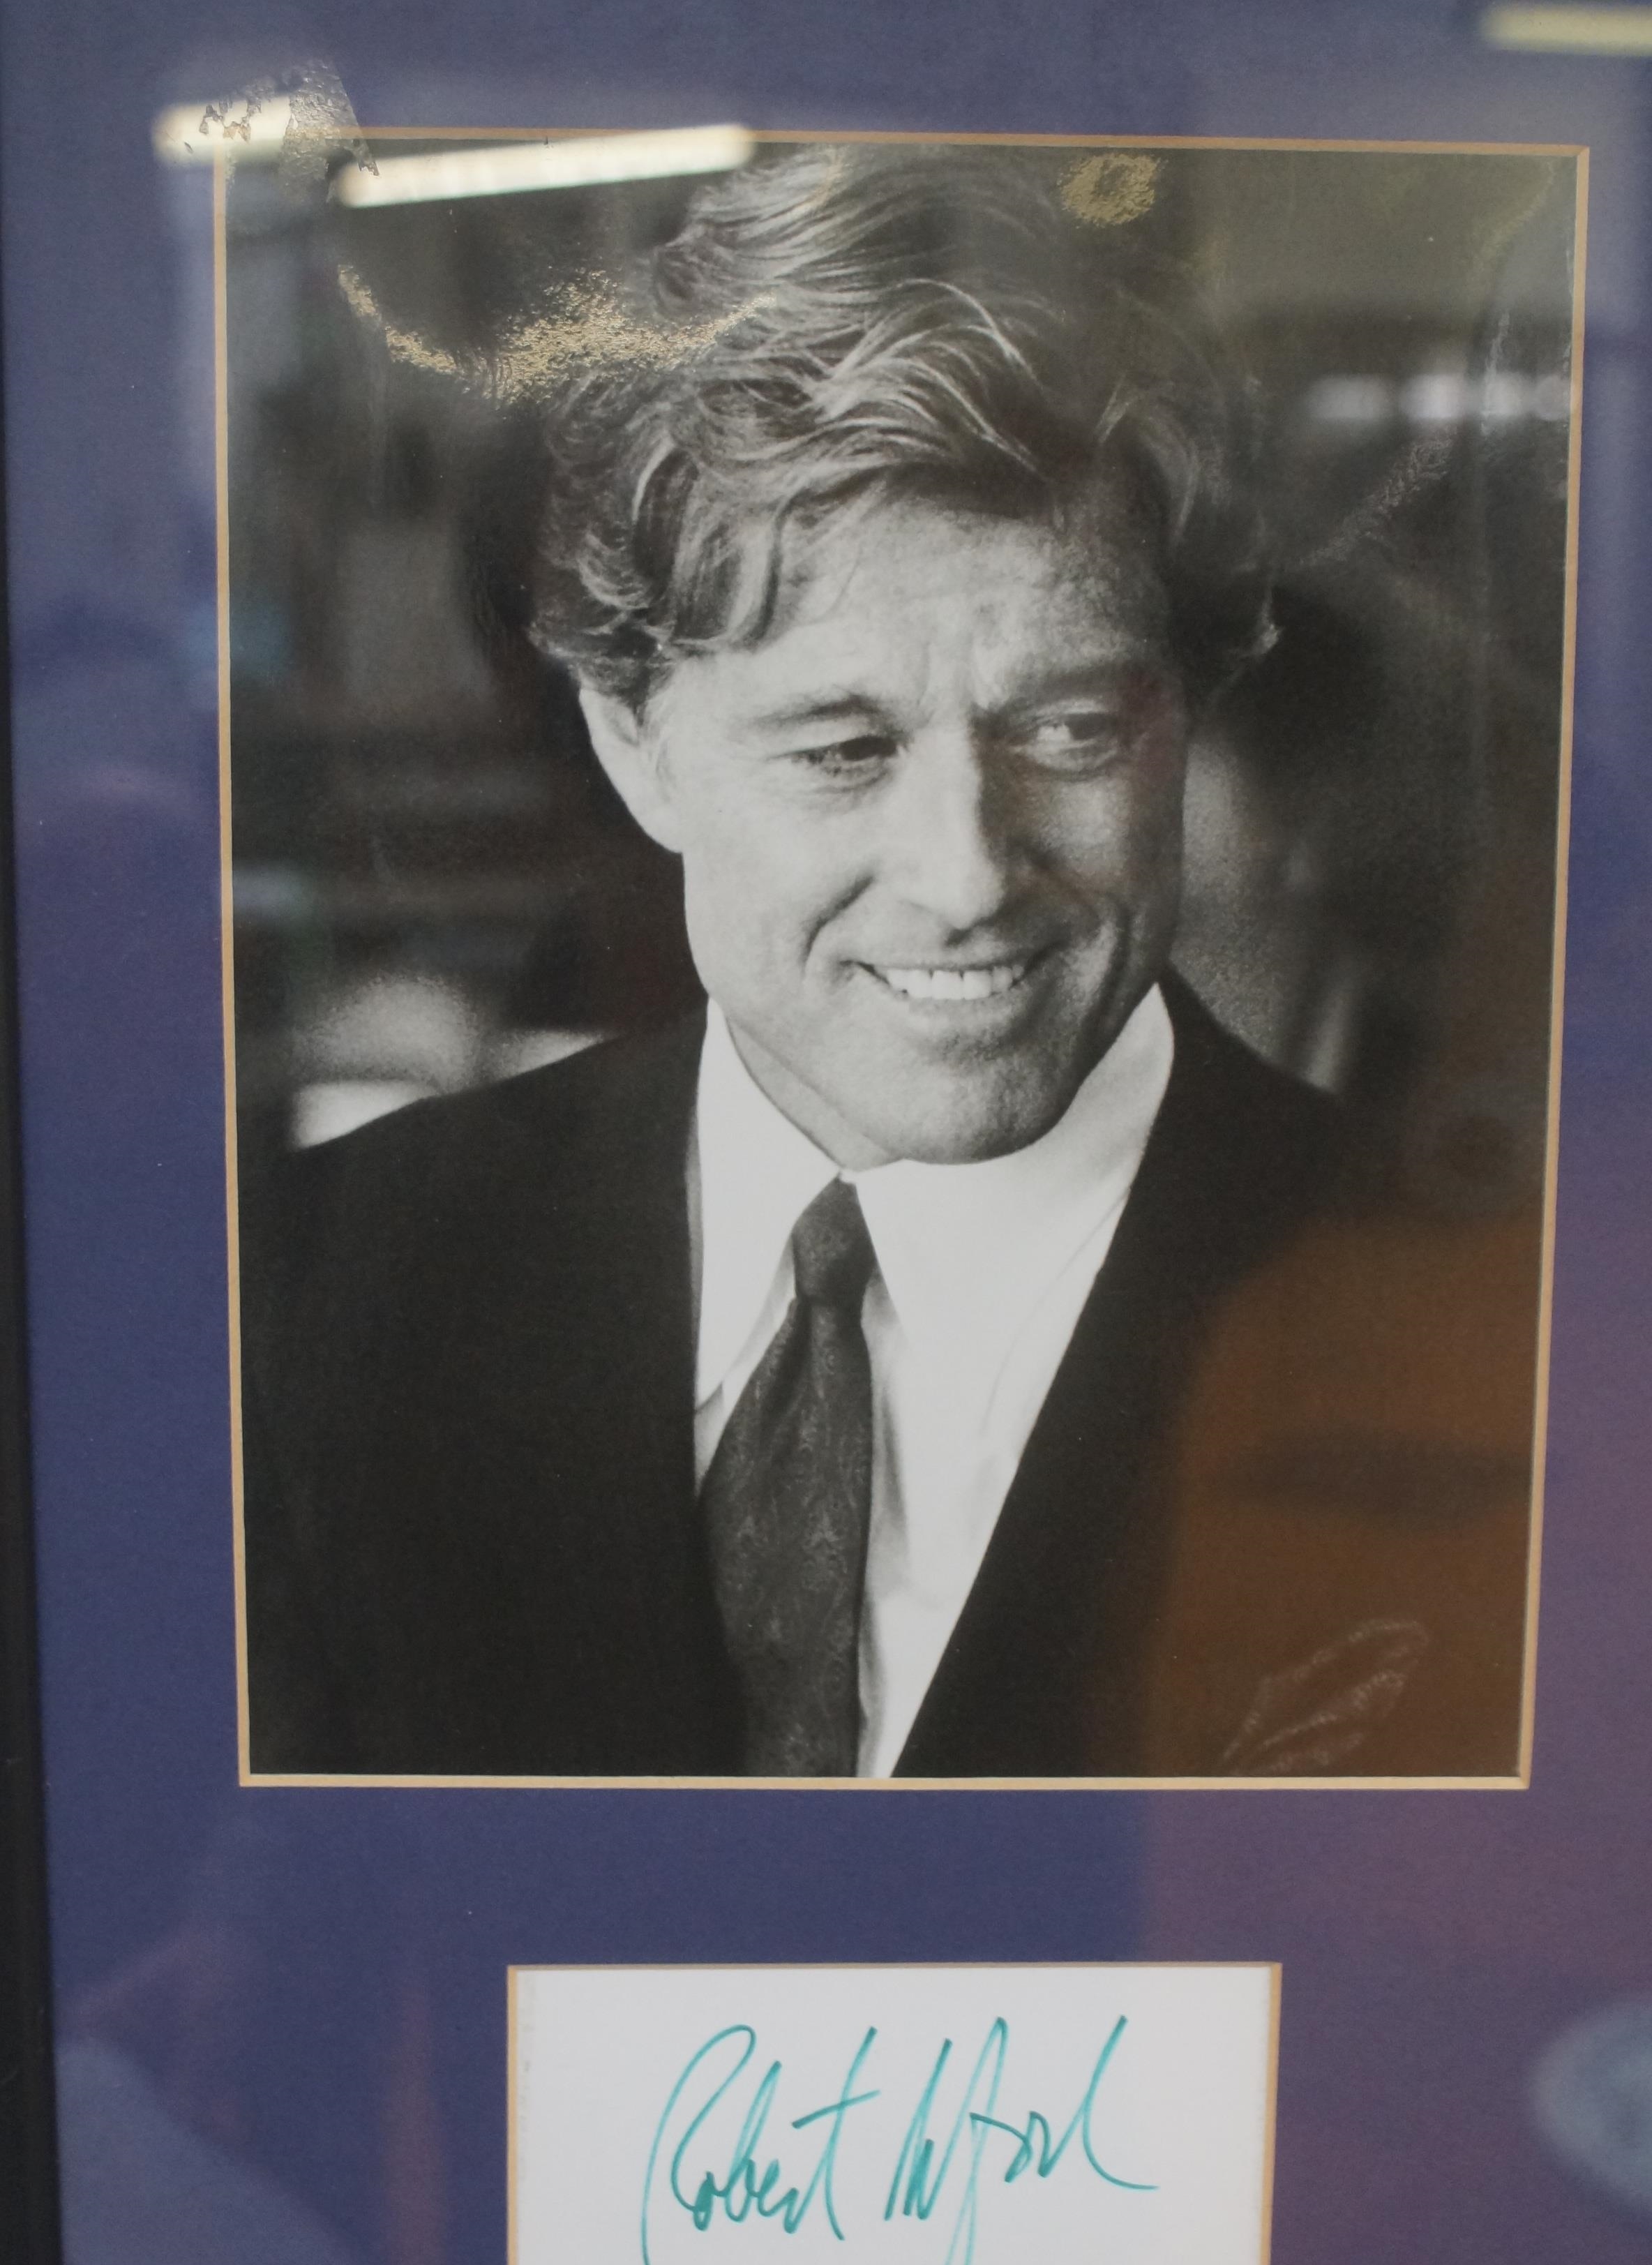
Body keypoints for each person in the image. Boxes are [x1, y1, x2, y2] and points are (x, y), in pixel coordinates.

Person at [242, 145, 1537, 1780]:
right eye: (842, 751)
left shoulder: (1502, 1338)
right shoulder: (321, 1289)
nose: (966, 876)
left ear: (1190, 711)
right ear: (632, 743)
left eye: (1068, 731)